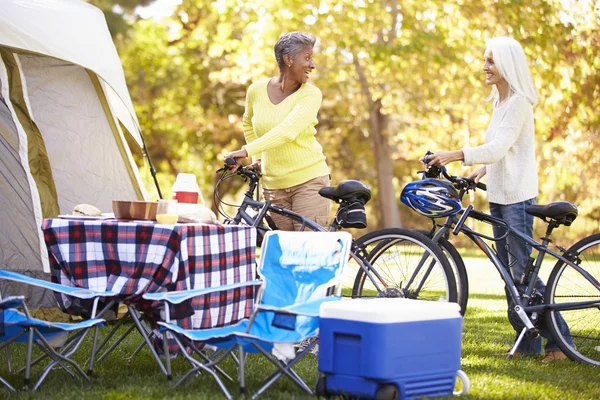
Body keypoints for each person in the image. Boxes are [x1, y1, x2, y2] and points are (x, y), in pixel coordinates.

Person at [423, 36, 574, 362]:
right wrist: (479, 173)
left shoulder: (519, 102)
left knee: (521, 273)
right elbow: (502, 154)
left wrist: (454, 155)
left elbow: (499, 148)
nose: (484, 67)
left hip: (517, 198)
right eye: (485, 60)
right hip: (500, 196)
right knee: (511, 273)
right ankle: (529, 342)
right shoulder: (500, 103)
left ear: (507, 64)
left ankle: (560, 344)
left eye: (491, 61)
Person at [225, 31, 330, 231]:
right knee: (284, 252)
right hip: (273, 188)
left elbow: (287, 132)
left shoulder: (311, 95)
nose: (312, 65)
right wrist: (256, 158)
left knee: (309, 252)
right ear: (288, 59)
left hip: (308, 182)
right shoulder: (256, 90)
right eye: (307, 58)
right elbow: (247, 122)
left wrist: (245, 151)